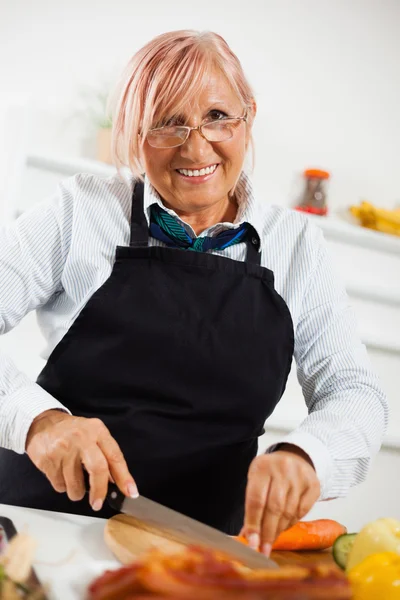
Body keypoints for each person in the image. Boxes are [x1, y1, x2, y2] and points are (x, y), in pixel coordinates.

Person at [0, 30, 388, 557]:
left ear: (248, 116)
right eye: (167, 123)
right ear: (135, 132)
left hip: (202, 549)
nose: (195, 145)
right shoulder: (80, 211)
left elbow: (354, 391)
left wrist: (305, 454)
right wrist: (37, 422)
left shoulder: (297, 246)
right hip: (44, 527)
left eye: (217, 116)